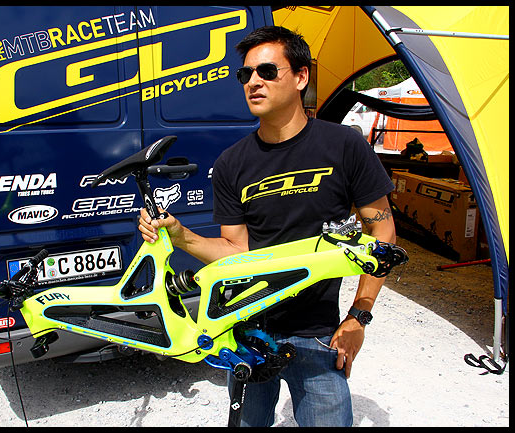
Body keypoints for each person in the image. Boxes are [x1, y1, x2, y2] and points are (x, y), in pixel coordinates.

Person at [138, 26, 396, 427]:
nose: (253, 82)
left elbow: (383, 235)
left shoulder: (345, 146)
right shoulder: (231, 163)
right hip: (245, 332)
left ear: (301, 76)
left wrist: (358, 317)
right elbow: (237, 252)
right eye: (246, 74)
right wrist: (181, 236)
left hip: (318, 335)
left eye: (267, 71)